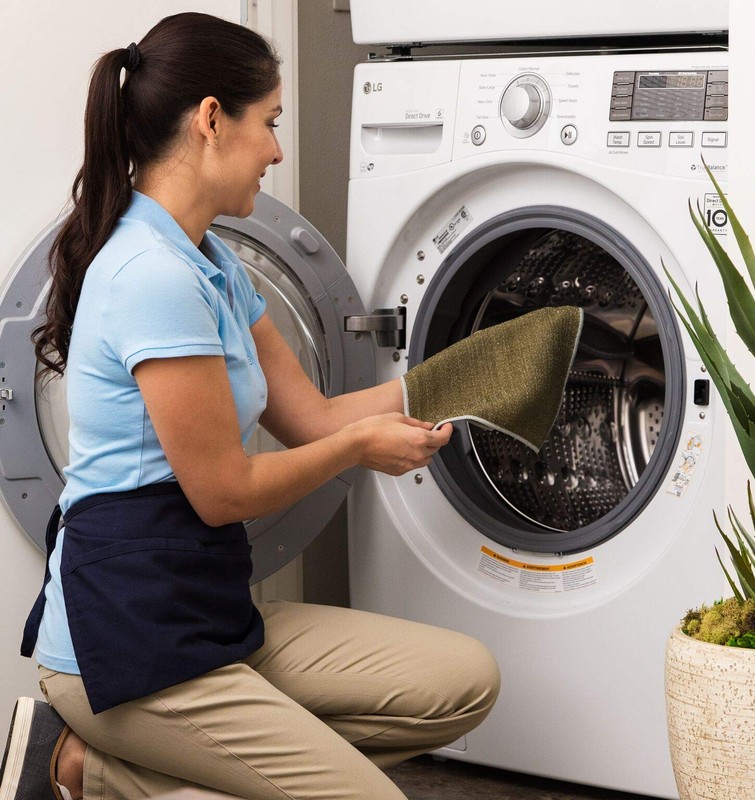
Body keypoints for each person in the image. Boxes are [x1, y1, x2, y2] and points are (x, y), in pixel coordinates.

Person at [0, 13, 499, 800]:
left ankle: (139, 771)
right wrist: (357, 450)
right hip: (131, 642)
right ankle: (81, 766)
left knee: (464, 682)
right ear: (210, 120)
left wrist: (472, 379)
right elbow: (224, 492)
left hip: (209, 611)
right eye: (269, 122)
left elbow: (312, 418)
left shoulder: (212, 262)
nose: (276, 150)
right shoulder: (151, 275)